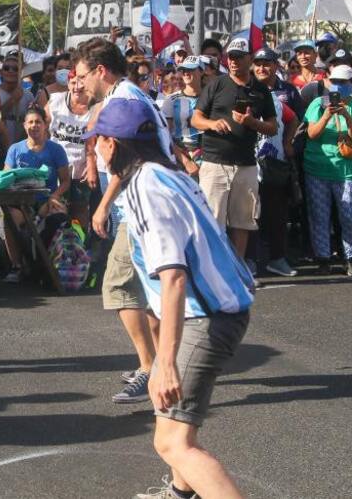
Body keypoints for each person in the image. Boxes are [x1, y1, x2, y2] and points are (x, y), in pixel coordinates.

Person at [85, 98, 253, 499]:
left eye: (97, 140)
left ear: (112, 143)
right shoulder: (166, 173)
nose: (95, 149)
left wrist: (167, 363)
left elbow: (174, 276)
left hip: (205, 316)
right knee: (171, 420)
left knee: (173, 443)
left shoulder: (145, 188)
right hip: (216, 308)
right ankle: (179, 495)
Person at [74, 37, 190, 406]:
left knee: (119, 284)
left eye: (82, 76)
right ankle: (159, 365)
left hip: (140, 204)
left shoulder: (124, 102)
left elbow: (127, 161)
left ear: (101, 71)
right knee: (148, 291)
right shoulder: (129, 96)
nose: (78, 83)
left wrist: (103, 205)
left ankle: (150, 367)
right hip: (146, 201)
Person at [190, 38, 278, 261]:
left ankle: (237, 268)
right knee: (213, 221)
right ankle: (213, 269)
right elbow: (196, 119)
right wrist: (212, 124)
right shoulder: (216, 84)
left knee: (243, 222)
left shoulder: (261, 90)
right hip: (215, 162)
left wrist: (252, 122)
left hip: (246, 164)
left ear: (250, 58)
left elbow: (273, 127)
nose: (234, 61)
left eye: (239, 57)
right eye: (230, 57)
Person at [303, 65, 352, 277]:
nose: (338, 86)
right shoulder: (318, 104)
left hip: (346, 171)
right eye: (334, 81)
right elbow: (311, 133)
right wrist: (326, 116)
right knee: (319, 217)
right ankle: (323, 258)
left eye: (342, 82)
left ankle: (351, 258)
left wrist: (346, 116)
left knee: (350, 216)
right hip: (317, 168)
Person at [0, 105, 70, 284]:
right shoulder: (15, 149)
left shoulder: (56, 149)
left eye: (38, 122)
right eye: (30, 122)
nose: (34, 126)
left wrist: (54, 196)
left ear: (45, 124)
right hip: (21, 202)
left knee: (59, 216)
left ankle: (48, 267)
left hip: (48, 199)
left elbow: (65, 181)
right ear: (24, 126)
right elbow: (6, 178)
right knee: (9, 217)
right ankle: (17, 266)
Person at [251, 49, 299, 277]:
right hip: (248, 165)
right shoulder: (243, 93)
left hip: (274, 165)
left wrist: (288, 142)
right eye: (258, 63)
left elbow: (293, 119)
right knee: (250, 216)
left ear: (275, 66)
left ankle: (277, 259)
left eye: (266, 63)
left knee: (276, 215)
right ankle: (250, 262)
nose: (262, 68)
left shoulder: (275, 98)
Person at [44, 66, 93, 229]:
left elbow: (100, 139)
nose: (77, 87)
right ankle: (58, 241)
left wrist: (91, 164)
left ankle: (79, 241)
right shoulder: (56, 101)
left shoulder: (95, 105)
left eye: (81, 83)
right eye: (73, 83)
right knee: (57, 209)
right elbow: (42, 127)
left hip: (81, 167)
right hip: (57, 167)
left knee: (80, 211)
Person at [163, 57, 203, 158]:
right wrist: (183, 159)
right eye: (184, 70)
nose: (186, 73)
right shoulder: (171, 99)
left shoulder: (211, 97)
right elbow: (165, 134)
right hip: (182, 155)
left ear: (201, 72)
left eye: (191, 69)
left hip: (208, 155)